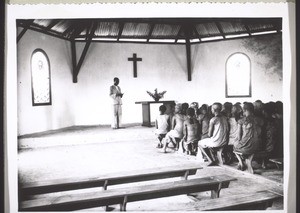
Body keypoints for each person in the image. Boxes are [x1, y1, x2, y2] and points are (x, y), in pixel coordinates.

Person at [233, 102, 264, 170]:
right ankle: (244, 162)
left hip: (246, 145)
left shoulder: (241, 121)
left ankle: (241, 163)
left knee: (235, 148)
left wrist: (237, 142)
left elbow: (239, 136)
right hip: (258, 145)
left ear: (244, 110)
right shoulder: (260, 120)